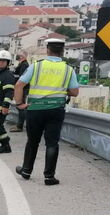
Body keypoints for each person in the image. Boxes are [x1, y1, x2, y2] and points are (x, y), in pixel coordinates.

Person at [14, 38, 79, 185]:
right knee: (52, 143)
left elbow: (19, 85)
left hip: (35, 109)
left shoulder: (37, 66)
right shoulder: (68, 69)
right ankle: (49, 177)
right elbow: (75, 92)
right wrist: (62, 90)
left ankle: (26, 170)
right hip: (56, 110)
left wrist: (19, 104)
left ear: (47, 49)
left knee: (33, 141)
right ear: (62, 51)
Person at [11, 51, 30, 132]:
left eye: (18, 56)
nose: (17, 57)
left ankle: (20, 126)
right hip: (21, 88)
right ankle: (20, 125)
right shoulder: (23, 65)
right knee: (20, 107)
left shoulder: (24, 65)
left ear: (22, 57)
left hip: (22, 89)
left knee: (20, 107)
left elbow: (21, 78)